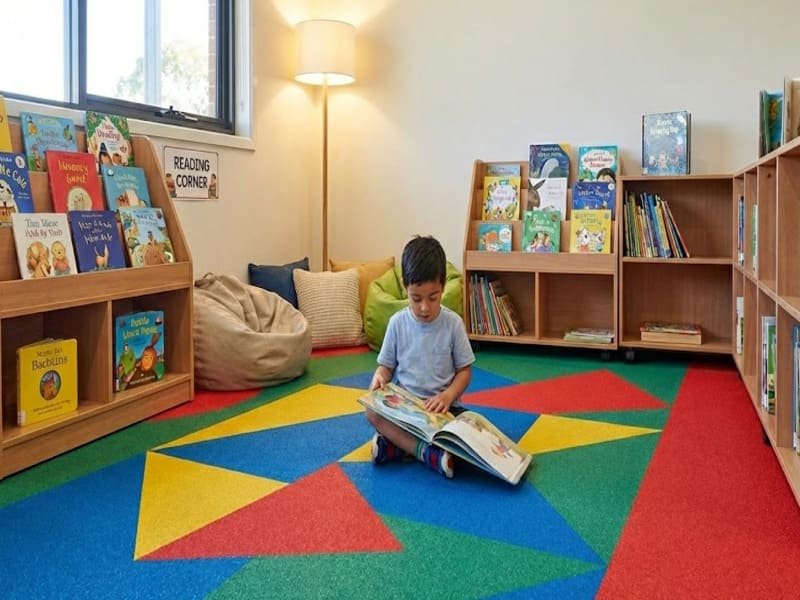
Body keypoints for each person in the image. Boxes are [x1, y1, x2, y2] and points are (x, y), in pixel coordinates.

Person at [366, 235, 475, 478]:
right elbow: (385, 368)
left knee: (470, 434)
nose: (424, 307)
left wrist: (447, 396)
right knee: (371, 411)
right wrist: (379, 379)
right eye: (416, 299)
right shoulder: (397, 323)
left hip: (443, 411)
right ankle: (426, 453)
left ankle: (396, 447)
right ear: (406, 287)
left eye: (432, 298)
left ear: (443, 286)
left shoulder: (453, 324)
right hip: (406, 409)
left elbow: (465, 371)